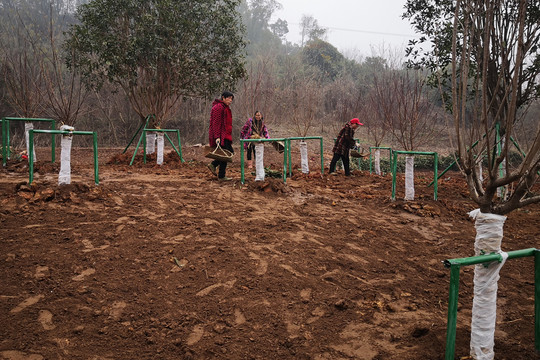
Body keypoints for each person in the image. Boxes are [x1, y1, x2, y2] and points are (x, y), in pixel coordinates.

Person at [207, 91, 235, 181]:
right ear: (223, 97)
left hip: (225, 134)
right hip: (221, 135)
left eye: (231, 99)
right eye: (229, 98)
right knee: (227, 153)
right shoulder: (218, 107)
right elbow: (216, 123)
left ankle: (215, 166)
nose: (230, 100)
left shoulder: (225, 107)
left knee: (227, 153)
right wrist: (217, 137)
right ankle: (220, 174)